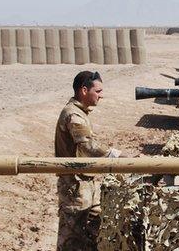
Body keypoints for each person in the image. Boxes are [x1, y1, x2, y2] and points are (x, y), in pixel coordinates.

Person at [55, 71, 123, 250]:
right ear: (84, 90)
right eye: (98, 91)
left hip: (85, 182)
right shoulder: (73, 115)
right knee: (72, 235)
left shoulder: (79, 112)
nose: (101, 95)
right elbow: (87, 145)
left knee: (93, 228)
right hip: (75, 185)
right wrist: (116, 156)